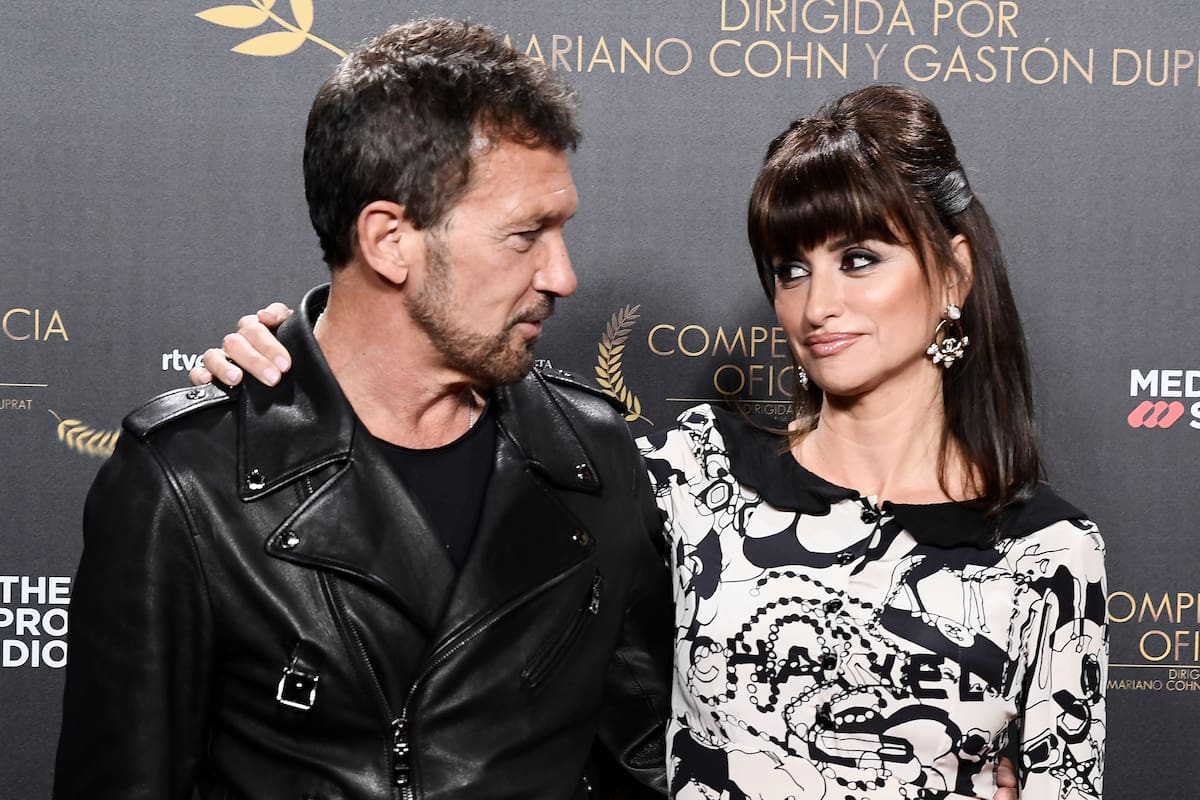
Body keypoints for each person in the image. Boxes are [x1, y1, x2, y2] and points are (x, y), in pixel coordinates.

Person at [196, 86, 1054, 798]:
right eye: (791, 269)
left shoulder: (1051, 556)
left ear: (954, 272)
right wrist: (296, 380)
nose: (817, 304)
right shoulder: (689, 478)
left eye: (859, 259)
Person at [54, 19, 672, 800]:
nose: (563, 275)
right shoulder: (191, 481)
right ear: (389, 241)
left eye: (562, 230)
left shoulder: (593, 453)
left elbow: (646, 762)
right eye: (526, 236)